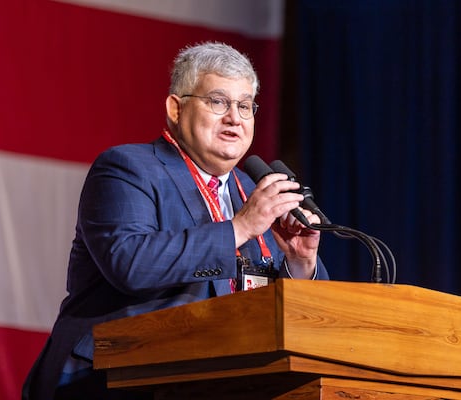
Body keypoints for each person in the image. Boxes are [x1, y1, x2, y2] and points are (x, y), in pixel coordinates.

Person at [22, 41, 329, 400]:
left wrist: (300, 261)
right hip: (111, 381)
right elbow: (131, 264)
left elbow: (307, 318)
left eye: (245, 106)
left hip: (231, 381)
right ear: (176, 108)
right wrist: (240, 228)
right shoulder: (128, 169)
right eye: (218, 101)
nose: (234, 117)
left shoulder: (252, 192)